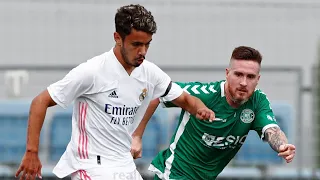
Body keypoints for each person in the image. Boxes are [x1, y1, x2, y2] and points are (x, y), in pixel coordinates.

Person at [14, 4, 215, 180]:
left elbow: (186, 100)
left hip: (124, 164)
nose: (143, 51)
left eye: (147, 44)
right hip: (90, 165)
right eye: (136, 44)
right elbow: (40, 101)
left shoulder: (150, 73)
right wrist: (32, 151)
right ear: (118, 38)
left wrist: (201, 109)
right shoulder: (92, 72)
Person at [131, 46, 296, 180]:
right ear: (227, 73)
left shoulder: (258, 102)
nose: (244, 82)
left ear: (257, 79)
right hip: (174, 174)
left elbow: (271, 130)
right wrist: (137, 136)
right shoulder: (203, 94)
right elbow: (156, 93)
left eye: (250, 76)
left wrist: (282, 145)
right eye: (238, 74)